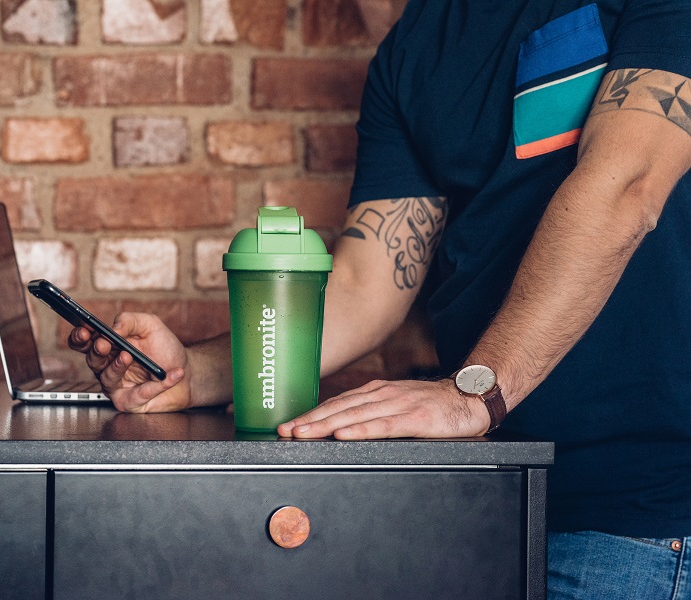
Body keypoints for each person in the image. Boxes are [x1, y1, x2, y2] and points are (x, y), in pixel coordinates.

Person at [69, 1, 691, 596]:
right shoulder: (417, 41)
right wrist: (195, 373)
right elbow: (367, 282)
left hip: (637, 518)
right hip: (488, 494)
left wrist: (475, 392)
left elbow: (627, 186)